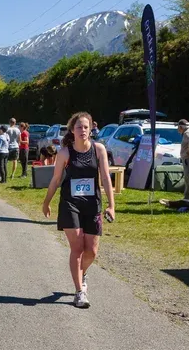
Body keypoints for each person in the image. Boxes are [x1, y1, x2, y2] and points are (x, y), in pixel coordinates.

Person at [42, 112, 115, 308]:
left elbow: (106, 178)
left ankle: (82, 272)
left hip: (92, 204)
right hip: (70, 203)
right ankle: (79, 291)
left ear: (91, 129)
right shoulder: (65, 152)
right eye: (78, 127)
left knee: (91, 251)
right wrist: (46, 202)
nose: (82, 130)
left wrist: (111, 205)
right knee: (77, 248)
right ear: (72, 130)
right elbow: (56, 179)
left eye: (85, 127)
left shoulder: (99, 150)